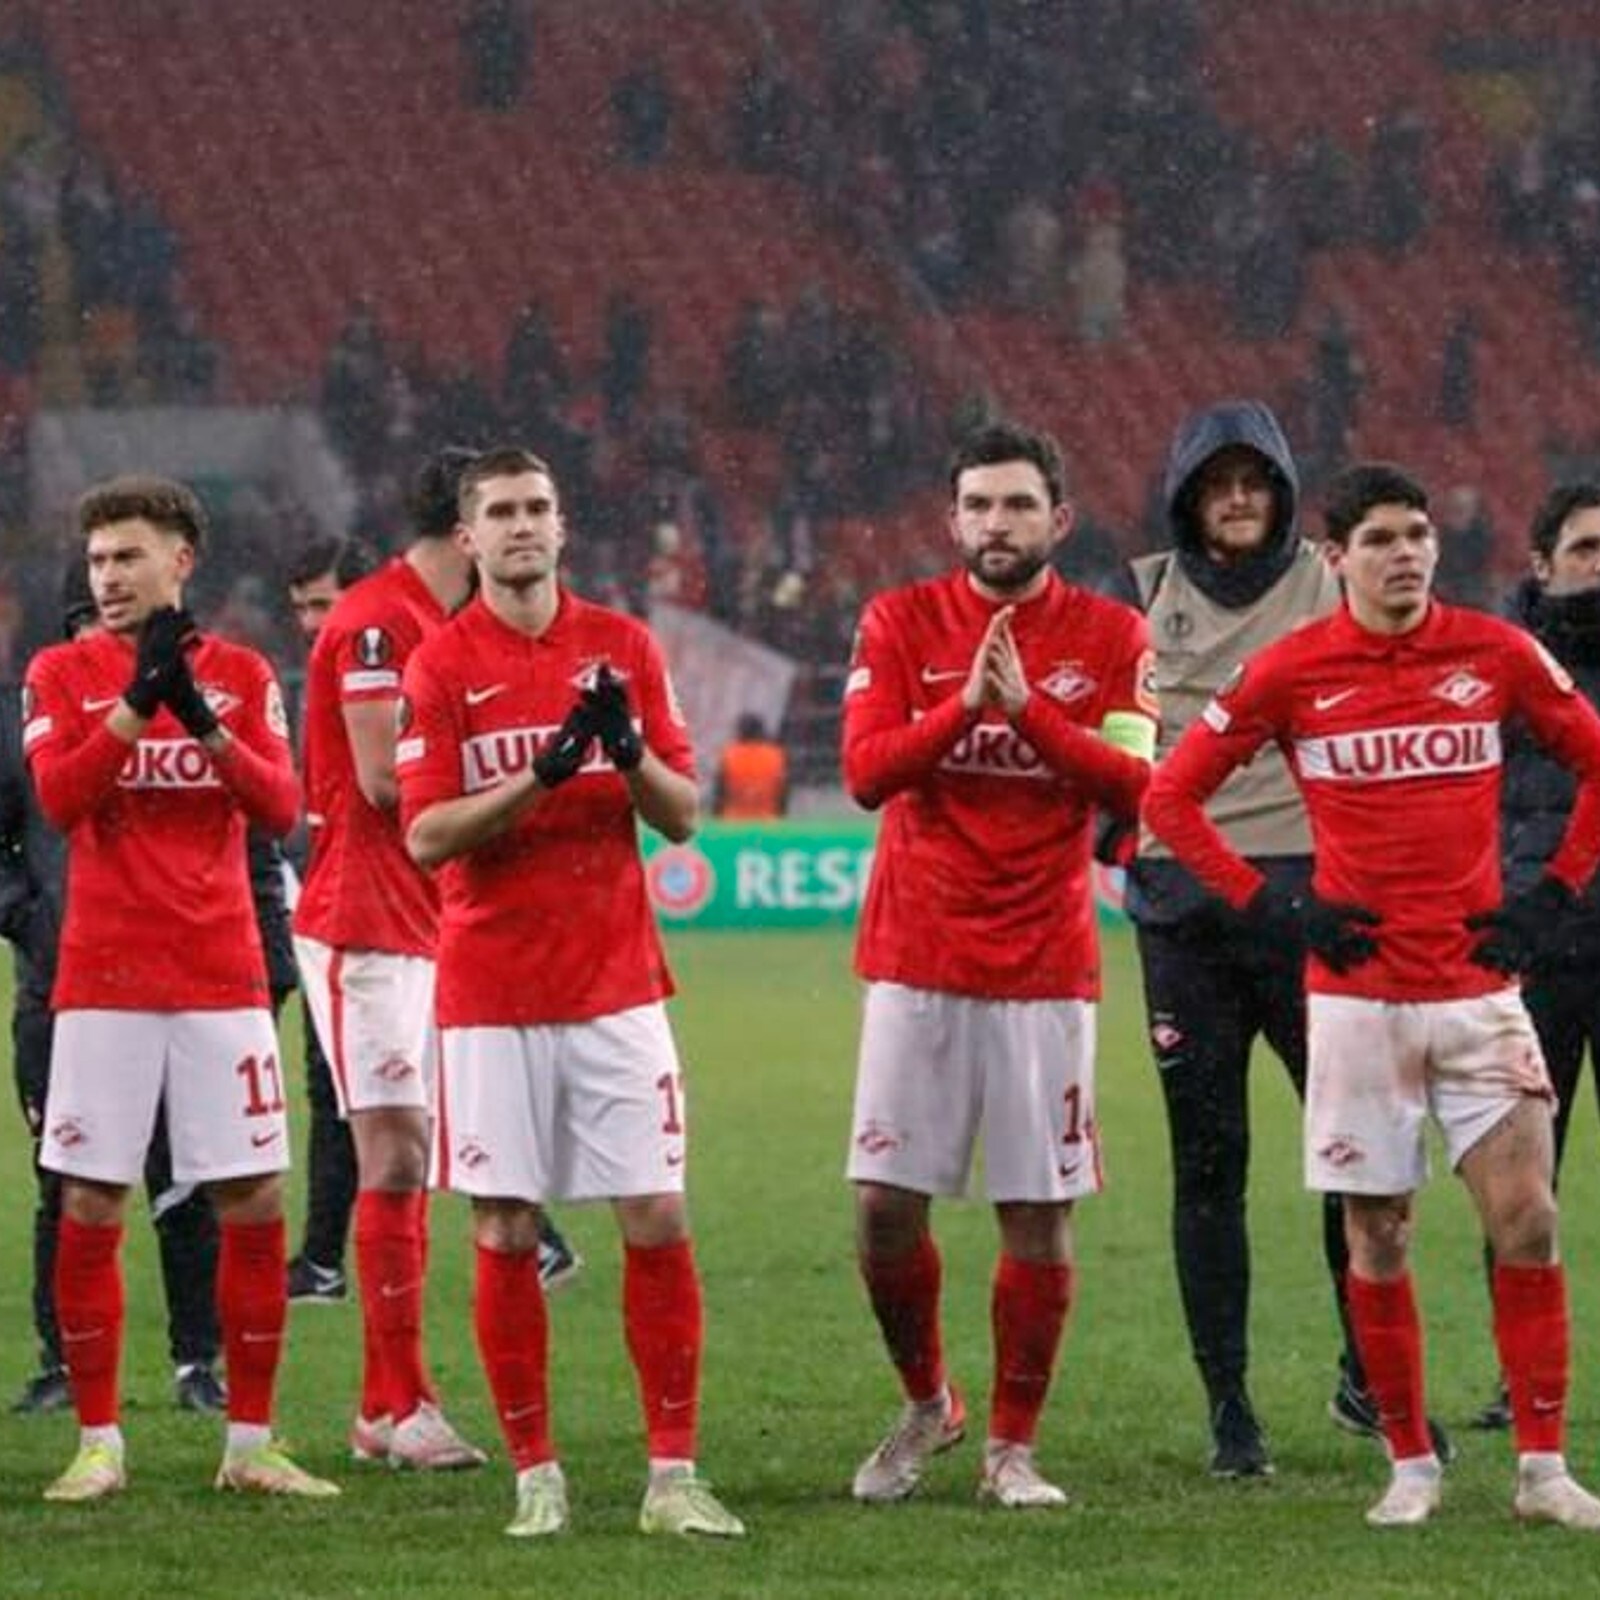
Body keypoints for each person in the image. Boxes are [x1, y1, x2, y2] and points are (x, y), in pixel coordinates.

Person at [1144, 462, 1600, 1530]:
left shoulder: (1492, 652)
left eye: (1418, 533)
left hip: (1480, 988)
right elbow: (1169, 795)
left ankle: (1542, 1470)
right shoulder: (1291, 669)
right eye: (1382, 538)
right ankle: (1409, 1464)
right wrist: (1273, 907)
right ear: (1336, 557)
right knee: (1378, 1234)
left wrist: (1554, 897)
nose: (1406, 553)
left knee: (1527, 1219)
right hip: (1354, 1003)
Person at [397, 445, 745, 1540]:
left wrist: (628, 753)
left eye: (537, 508)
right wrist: (542, 773)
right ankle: (535, 1473)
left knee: (656, 1211)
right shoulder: (442, 666)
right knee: (502, 1226)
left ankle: (672, 1475)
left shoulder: (624, 646)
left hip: (615, 986)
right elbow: (424, 833)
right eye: (499, 512)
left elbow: (684, 812)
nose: (520, 527)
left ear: (563, 525)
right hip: (492, 990)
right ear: (468, 537)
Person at [1115, 400, 1445, 1476]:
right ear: (1187, 496)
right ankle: (1230, 1408)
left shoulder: (1328, 577)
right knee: (1208, 1166)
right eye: (1218, 483)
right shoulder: (1141, 595)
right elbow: (1115, 746)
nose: (1240, 497)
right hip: (1183, 911)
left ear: (1288, 492)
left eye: (1257, 479)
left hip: (1316, 908)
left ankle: (1368, 1377)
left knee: (1352, 1159)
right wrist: (1115, 812)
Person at [841, 421, 1156, 1508]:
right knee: (883, 1206)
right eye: (977, 506)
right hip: (916, 954)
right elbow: (866, 771)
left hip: (1041, 963)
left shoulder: (1113, 634)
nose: (995, 525)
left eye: (1017, 505)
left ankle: (1010, 1450)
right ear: (952, 520)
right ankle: (930, 1401)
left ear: (1058, 519)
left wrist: (1027, 711)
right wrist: (961, 708)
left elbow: (1135, 783)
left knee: (1035, 1209)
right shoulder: (899, 620)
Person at [23, 473, 336, 1501]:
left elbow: (282, 803)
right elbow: (64, 799)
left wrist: (197, 716)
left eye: (127, 556)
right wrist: (132, 707)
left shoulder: (244, 674)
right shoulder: (59, 672)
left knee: (251, 1196)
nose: (107, 576)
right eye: (99, 559)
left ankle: (249, 1442)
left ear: (179, 561)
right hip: (103, 980)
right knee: (91, 1197)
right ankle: (100, 1441)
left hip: (219, 975)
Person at [292, 450, 488, 1470]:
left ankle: (381, 1408)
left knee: (416, 1159)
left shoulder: (449, 623)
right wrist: (520, 795)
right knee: (398, 1151)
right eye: (499, 516)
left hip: (428, 918)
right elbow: (380, 780)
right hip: (363, 922)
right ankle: (404, 1404)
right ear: (465, 529)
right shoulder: (378, 620)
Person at [4, 565, 232, 1416]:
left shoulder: (180, 704)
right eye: (80, 619)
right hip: (58, 986)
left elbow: (242, 836)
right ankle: (63, 1364)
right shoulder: (24, 716)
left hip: (175, 980)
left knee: (186, 1179)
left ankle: (196, 1361)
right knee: (63, 1179)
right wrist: (27, 918)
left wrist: (270, 961)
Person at [1472, 482, 1600, 1430]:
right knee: (1521, 1175)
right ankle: (1518, 1377)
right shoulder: (1498, 667)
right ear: (1543, 561)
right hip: (1532, 945)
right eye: (1588, 547)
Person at [280, 534, 378, 1304]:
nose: (311, 621)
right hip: (334, 899)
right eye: (302, 608)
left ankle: (319, 1260)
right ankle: (319, 1259)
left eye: (324, 603)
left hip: (373, 912)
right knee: (349, 1084)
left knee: (353, 1083)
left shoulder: (377, 670)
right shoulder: (321, 676)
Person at [713, 712, 788, 819]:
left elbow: (719, 793)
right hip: (768, 822)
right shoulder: (776, 756)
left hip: (733, 823)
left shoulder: (729, 754)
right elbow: (783, 794)